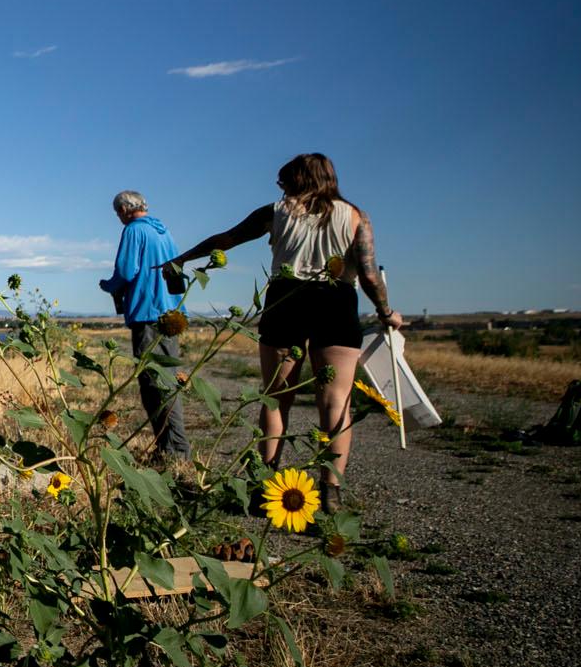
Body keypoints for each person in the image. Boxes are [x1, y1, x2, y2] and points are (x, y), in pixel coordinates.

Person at [169, 153, 405, 513]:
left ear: (295, 179)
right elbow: (370, 275)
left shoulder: (276, 211)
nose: (280, 187)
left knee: (275, 397)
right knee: (335, 402)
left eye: (283, 180)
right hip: (336, 301)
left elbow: (228, 238)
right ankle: (330, 491)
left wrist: (184, 257)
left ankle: (266, 483)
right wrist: (386, 312)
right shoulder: (356, 215)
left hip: (286, 299)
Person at [97, 190, 190, 461]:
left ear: (126, 209)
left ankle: (173, 451)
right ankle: (172, 448)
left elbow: (127, 271)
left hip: (148, 312)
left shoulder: (134, 231)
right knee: (167, 380)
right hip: (171, 311)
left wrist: (109, 285)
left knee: (154, 384)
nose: (118, 218)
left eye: (118, 213)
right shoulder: (163, 231)